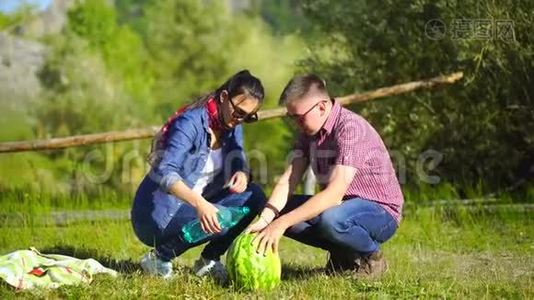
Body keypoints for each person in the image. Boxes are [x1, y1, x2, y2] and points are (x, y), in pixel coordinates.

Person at [247, 74, 403, 278]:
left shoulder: (350, 128)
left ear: (321, 107)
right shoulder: (307, 134)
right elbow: (288, 180)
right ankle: (344, 255)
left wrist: (281, 223)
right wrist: (267, 219)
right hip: (342, 209)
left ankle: (372, 258)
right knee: (274, 208)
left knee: (331, 219)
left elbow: (334, 195)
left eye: (299, 117)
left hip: (380, 212)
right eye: (291, 117)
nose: (295, 123)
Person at [131, 70, 267, 281]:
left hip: (194, 205)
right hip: (158, 215)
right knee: (221, 216)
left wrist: (242, 172)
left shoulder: (232, 125)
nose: (240, 119)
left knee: (255, 195)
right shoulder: (189, 123)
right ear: (223, 98)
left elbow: (238, 156)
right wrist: (200, 204)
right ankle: (159, 258)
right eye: (239, 112)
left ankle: (208, 260)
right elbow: (164, 171)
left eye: (248, 117)